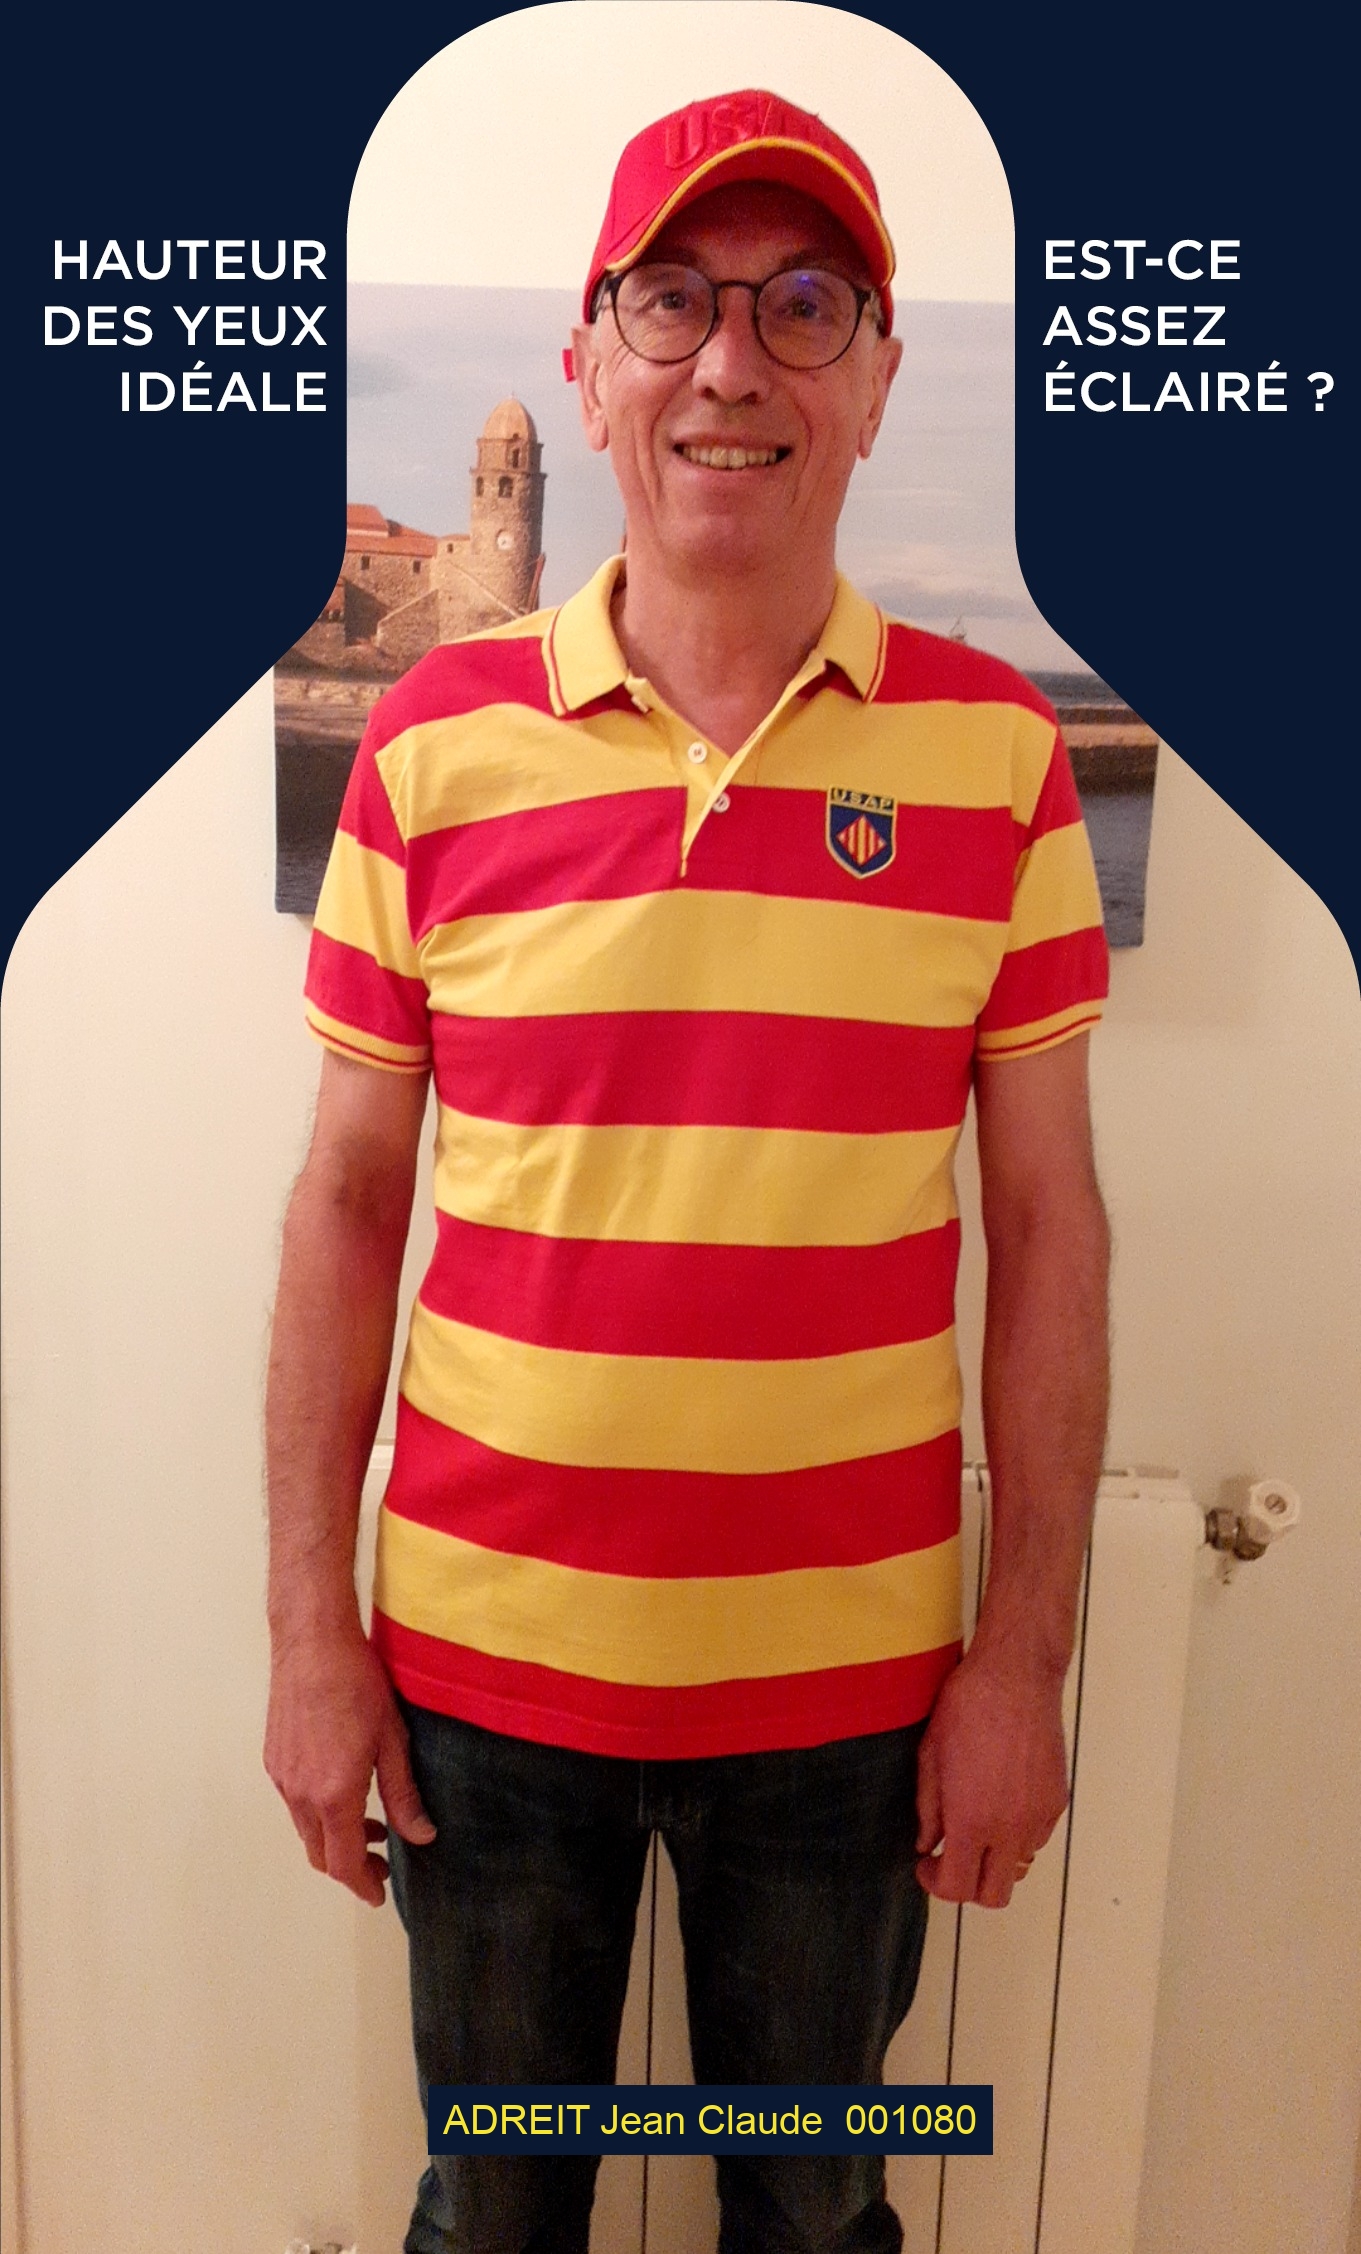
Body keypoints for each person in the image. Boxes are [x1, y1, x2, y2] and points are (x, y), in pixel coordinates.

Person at [264, 87, 1111, 2254]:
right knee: (495, 2211)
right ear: (589, 366)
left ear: (876, 378)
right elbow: (346, 1209)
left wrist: (1023, 1657)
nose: (732, 360)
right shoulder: (427, 750)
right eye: (675, 301)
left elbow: (1049, 1230)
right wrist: (307, 1631)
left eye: (803, 306)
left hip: (849, 1701)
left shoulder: (998, 755)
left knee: (816, 2217)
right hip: (480, 1684)